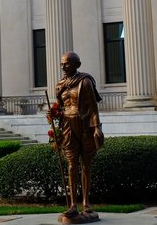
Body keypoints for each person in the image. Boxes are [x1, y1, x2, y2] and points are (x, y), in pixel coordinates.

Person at [55, 51, 104, 220]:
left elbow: (93, 107)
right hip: (67, 126)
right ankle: (72, 205)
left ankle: (86, 203)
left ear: (77, 65)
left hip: (84, 125)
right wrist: (52, 114)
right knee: (71, 165)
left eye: (67, 64)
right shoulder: (60, 84)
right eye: (62, 64)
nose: (63, 67)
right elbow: (60, 107)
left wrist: (97, 127)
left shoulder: (85, 82)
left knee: (86, 165)